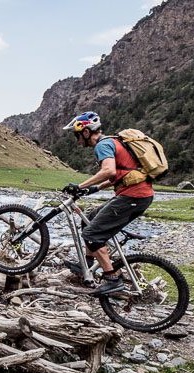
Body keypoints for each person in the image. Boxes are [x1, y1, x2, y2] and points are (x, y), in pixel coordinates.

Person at [62, 111, 154, 296]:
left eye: (77, 135)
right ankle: (86, 264)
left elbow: (109, 171)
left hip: (133, 197)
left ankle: (113, 278)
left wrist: (79, 186)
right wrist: (94, 189)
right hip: (136, 195)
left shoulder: (102, 145)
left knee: (91, 235)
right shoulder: (112, 141)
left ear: (86, 132)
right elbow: (120, 174)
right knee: (89, 218)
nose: (78, 141)